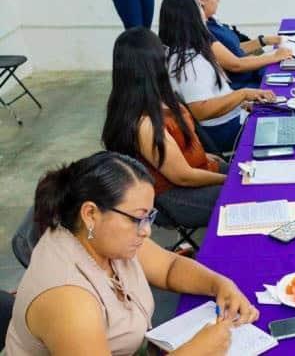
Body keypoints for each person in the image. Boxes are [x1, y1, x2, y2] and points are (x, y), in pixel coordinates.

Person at [5, 152, 258, 355]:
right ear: (91, 214)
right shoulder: (68, 300)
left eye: (149, 217)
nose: (146, 231)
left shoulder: (101, 237)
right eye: (138, 218)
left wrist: (220, 285)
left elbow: (169, 268)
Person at [102, 28, 228, 228]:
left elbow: (181, 146)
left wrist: (206, 158)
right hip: (175, 197)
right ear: (152, 63)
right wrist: (227, 180)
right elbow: (182, 176)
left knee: (258, 178)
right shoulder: (145, 124)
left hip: (196, 171)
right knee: (246, 195)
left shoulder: (158, 97)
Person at [158, 0, 275, 153]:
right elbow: (201, 111)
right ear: (190, 16)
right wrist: (242, 94)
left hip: (232, 117)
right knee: (285, 123)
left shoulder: (186, 50)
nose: (203, 11)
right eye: (199, 6)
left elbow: (213, 95)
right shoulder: (188, 61)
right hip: (224, 130)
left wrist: (243, 103)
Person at [187, 0, 293, 89]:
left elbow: (234, 49)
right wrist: (274, 57)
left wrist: (264, 41)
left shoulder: (211, 21)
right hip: (244, 85)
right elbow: (235, 64)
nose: (218, 0)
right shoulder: (203, 31)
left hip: (252, 74)